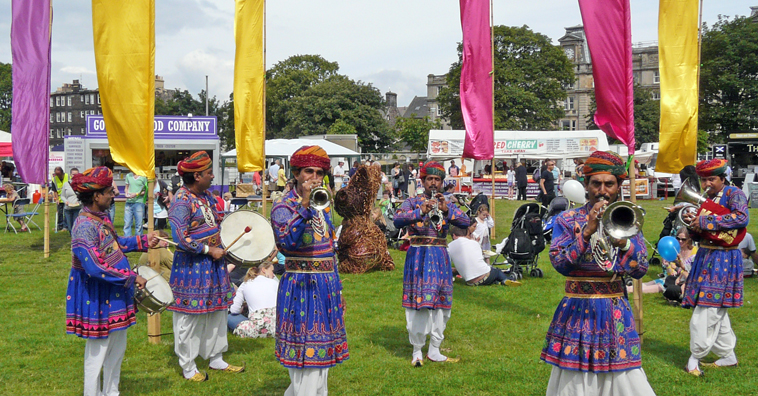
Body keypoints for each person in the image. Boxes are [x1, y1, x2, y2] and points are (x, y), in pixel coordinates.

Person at [541, 150, 656, 396]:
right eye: (596, 183)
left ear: (618, 187)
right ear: (586, 185)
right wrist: (585, 234)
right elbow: (560, 264)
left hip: (614, 307)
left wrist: (623, 244)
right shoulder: (567, 219)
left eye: (609, 184)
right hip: (576, 308)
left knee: (625, 377)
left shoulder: (628, 218)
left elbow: (641, 269)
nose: (602, 190)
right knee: (575, 379)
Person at [65, 166, 161, 396]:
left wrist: (144, 240)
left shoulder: (102, 218)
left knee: (117, 349)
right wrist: (131, 277)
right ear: (96, 195)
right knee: (97, 353)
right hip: (96, 295)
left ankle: (112, 392)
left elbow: (117, 245)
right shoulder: (84, 226)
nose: (114, 193)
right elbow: (94, 268)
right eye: (109, 190)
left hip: (115, 291)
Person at [270, 145, 348, 395]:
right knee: (306, 357)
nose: (314, 178)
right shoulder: (283, 206)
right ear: (295, 173)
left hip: (326, 285)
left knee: (321, 358)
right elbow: (286, 243)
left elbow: (328, 249)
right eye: (308, 172)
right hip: (300, 286)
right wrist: (304, 204)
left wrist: (339, 289)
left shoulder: (323, 206)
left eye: (319, 173)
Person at [168, 151, 243, 382]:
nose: (213, 176)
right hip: (191, 267)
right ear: (197, 175)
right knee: (189, 318)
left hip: (215, 264)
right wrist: (208, 250)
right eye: (209, 172)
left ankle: (216, 357)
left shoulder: (208, 197)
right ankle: (188, 366)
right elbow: (180, 237)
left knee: (218, 311)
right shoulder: (181, 200)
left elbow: (220, 224)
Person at [393, 161, 470, 366]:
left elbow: (466, 222)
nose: (433, 183)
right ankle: (417, 351)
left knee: (441, 305)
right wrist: (421, 211)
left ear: (442, 182)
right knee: (418, 305)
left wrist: (447, 211)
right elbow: (397, 219)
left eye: (437, 179)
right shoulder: (412, 201)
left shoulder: (447, 202)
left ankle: (435, 349)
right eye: (430, 179)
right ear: (423, 180)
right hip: (418, 255)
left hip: (439, 256)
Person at [680, 159, 748, 376]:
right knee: (716, 309)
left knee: (707, 309)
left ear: (722, 178)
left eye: (711, 179)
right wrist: (693, 225)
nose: (707, 183)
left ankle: (694, 357)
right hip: (707, 254)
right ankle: (728, 355)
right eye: (703, 179)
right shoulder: (708, 198)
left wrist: (708, 222)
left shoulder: (734, 194)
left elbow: (741, 218)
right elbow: (702, 230)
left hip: (724, 258)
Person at [627, 228, 696, 300]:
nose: (680, 241)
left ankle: (628, 290)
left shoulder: (694, 252)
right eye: (678, 238)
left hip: (682, 282)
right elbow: (671, 274)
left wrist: (677, 267)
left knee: (658, 285)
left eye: (683, 239)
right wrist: (667, 265)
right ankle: (628, 288)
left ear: (689, 239)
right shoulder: (674, 250)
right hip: (671, 278)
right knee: (649, 283)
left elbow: (690, 272)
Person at [448, 225, 518, 286]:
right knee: (497, 272)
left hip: (470, 281)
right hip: (484, 276)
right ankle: (507, 279)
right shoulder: (474, 243)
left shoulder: (449, 247)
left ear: (454, 235)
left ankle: (497, 282)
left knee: (491, 275)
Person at [228, 262, 279, 338]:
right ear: (263, 270)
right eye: (272, 271)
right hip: (277, 327)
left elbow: (234, 310)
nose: (274, 274)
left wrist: (242, 307)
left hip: (257, 328)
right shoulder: (275, 283)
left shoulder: (245, 284)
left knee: (229, 317)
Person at [123, 171, 147, 237]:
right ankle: (127, 239)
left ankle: (138, 240)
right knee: (127, 223)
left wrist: (136, 194)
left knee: (139, 224)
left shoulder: (143, 177)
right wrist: (126, 193)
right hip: (129, 201)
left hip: (139, 202)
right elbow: (126, 187)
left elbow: (146, 191)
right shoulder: (128, 175)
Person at [61, 168, 82, 233]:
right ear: (70, 175)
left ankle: (75, 240)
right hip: (68, 208)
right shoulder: (66, 184)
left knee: (75, 226)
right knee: (70, 227)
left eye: (76, 174)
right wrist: (65, 201)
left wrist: (79, 202)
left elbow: (84, 196)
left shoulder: (81, 184)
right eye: (73, 174)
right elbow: (62, 196)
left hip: (77, 208)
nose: (75, 176)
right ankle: (73, 239)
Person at [52, 167, 69, 231]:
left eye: (59, 174)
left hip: (67, 198)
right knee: (60, 213)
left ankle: (66, 226)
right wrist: (56, 199)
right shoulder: (54, 179)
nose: (58, 176)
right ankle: (59, 226)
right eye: (57, 174)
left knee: (66, 213)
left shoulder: (67, 177)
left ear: (62, 173)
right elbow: (55, 190)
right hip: (59, 198)